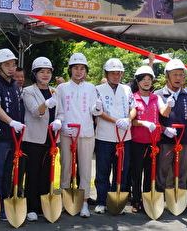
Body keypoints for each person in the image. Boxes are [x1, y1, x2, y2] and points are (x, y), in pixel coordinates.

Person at [55, 52, 99, 218]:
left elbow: (94, 110)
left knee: (86, 169)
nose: (79, 71)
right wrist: (63, 126)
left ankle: (84, 202)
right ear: (70, 70)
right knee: (66, 166)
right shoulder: (62, 88)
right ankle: (65, 200)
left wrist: (97, 109)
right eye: (75, 68)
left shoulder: (91, 87)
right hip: (67, 133)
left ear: (86, 71)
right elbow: (59, 112)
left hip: (86, 133)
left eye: (82, 68)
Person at [0, 48, 25, 220]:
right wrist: (11, 122)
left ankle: (5, 204)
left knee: (9, 172)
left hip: (14, 138)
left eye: (13, 64)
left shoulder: (16, 86)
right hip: (0, 138)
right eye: (7, 64)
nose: (11, 68)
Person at [94, 58, 136, 214]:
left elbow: (134, 108)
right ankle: (101, 201)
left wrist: (128, 119)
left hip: (125, 137)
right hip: (105, 136)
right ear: (107, 73)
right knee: (103, 170)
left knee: (122, 170)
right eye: (113, 73)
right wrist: (116, 120)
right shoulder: (98, 89)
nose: (116, 76)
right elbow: (98, 111)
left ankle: (115, 200)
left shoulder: (127, 89)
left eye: (119, 73)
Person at [21, 57, 61, 221]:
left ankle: (43, 206)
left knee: (47, 173)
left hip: (50, 138)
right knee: (33, 173)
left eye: (48, 72)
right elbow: (35, 112)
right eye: (42, 72)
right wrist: (47, 103)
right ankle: (31, 207)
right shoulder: (28, 91)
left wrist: (60, 120)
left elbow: (61, 111)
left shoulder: (54, 91)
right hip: (33, 139)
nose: (45, 75)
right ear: (35, 74)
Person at [154, 59, 187, 195]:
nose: (178, 78)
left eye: (181, 75)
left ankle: (179, 197)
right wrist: (164, 129)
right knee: (163, 169)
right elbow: (154, 119)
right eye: (175, 74)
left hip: (184, 138)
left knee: (182, 170)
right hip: (165, 139)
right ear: (167, 76)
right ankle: (160, 197)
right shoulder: (158, 94)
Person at [129, 65, 165, 213]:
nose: (146, 82)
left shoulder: (156, 97)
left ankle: (147, 200)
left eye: (149, 79)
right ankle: (136, 200)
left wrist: (169, 105)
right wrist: (142, 123)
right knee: (136, 172)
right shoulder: (133, 97)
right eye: (143, 79)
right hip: (137, 141)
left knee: (151, 173)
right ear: (137, 81)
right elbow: (131, 120)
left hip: (154, 142)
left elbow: (164, 112)